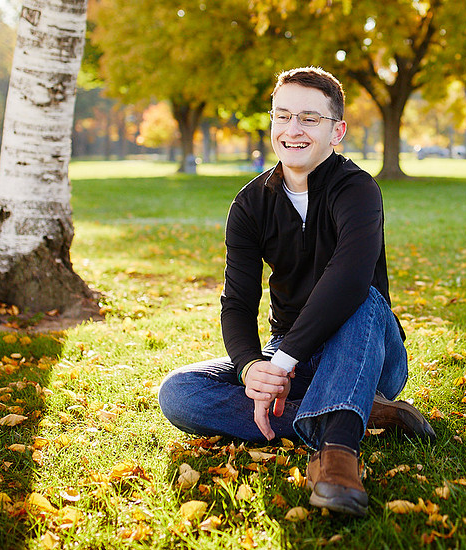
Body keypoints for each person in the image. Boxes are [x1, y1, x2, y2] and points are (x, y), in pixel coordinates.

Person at [158, 66, 434, 517]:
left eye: (309, 118)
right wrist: (252, 367)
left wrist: (282, 362)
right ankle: (361, 412)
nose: (293, 129)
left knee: (362, 295)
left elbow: (348, 280)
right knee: (180, 392)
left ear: (336, 131)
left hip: (369, 350)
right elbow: (238, 302)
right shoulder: (250, 204)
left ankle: (336, 453)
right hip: (292, 353)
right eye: (283, 116)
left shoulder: (358, 189)